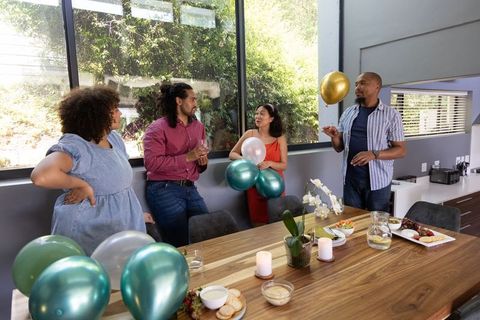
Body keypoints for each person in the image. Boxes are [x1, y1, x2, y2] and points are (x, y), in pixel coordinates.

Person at [30, 86, 147, 255]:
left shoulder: (113, 138)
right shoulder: (77, 146)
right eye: (114, 110)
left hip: (121, 229)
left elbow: (118, 186)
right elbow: (41, 176)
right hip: (91, 234)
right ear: (96, 116)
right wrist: (82, 185)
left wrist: (136, 215)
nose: (119, 114)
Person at [322, 72, 406, 212]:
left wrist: (374, 154)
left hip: (378, 182)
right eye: (356, 84)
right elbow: (339, 148)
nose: (357, 88)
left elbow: (401, 150)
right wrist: (334, 137)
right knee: (351, 222)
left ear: (377, 87)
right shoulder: (348, 113)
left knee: (378, 225)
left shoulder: (391, 115)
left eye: (363, 83)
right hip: (350, 182)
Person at [143, 82, 209, 247]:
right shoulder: (157, 128)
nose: (196, 103)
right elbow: (151, 164)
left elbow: (197, 164)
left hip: (190, 187)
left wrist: (202, 162)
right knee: (178, 242)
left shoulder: (198, 127)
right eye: (192, 99)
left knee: (207, 233)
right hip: (163, 189)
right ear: (179, 101)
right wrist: (188, 156)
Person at [229, 103, 287, 226]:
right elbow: (232, 154)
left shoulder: (280, 138)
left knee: (279, 225)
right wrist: (247, 161)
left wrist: (269, 163)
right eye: (256, 113)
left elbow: (284, 165)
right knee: (258, 226)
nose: (257, 116)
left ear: (271, 119)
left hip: (275, 186)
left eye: (262, 114)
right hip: (255, 188)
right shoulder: (250, 134)